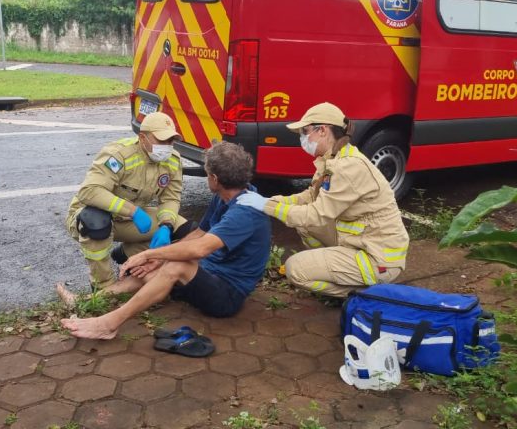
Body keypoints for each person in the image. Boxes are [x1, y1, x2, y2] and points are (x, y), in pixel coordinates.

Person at [60, 141, 272, 340]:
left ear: (215, 179)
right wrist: (158, 260)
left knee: (176, 265)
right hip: (210, 272)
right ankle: (86, 301)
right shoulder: (226, 197)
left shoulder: (247, 211)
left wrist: (148, 254)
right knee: (153, 269)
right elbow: (199, 234)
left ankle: (108, 325)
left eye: (207, 175)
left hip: (227, 295)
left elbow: (199, 248)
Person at [237, 102, 409, 298]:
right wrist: (269, 201)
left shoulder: (347, 168)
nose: (302, 138)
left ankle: (362, 295)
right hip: (361, 244)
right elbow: (310, 196)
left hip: (378, 260)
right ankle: (335, 271)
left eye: (305, 131)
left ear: (323, 130)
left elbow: (316, 214)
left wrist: (265, 206)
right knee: (305, 226)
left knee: (296, 270)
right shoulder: (334, 158)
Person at [58, 112, 193, 304]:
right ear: (143, 138)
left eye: (171, 140)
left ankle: (129, 255)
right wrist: (133, 211)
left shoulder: (172, 160)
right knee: (96, 222)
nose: (167, 147)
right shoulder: (118, 154)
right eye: (161, 140)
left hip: (129, 221)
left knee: (184, 230)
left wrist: (166, 225)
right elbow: (89, 191)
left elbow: (171, 197)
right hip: (90, 217)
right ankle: (103, 286)